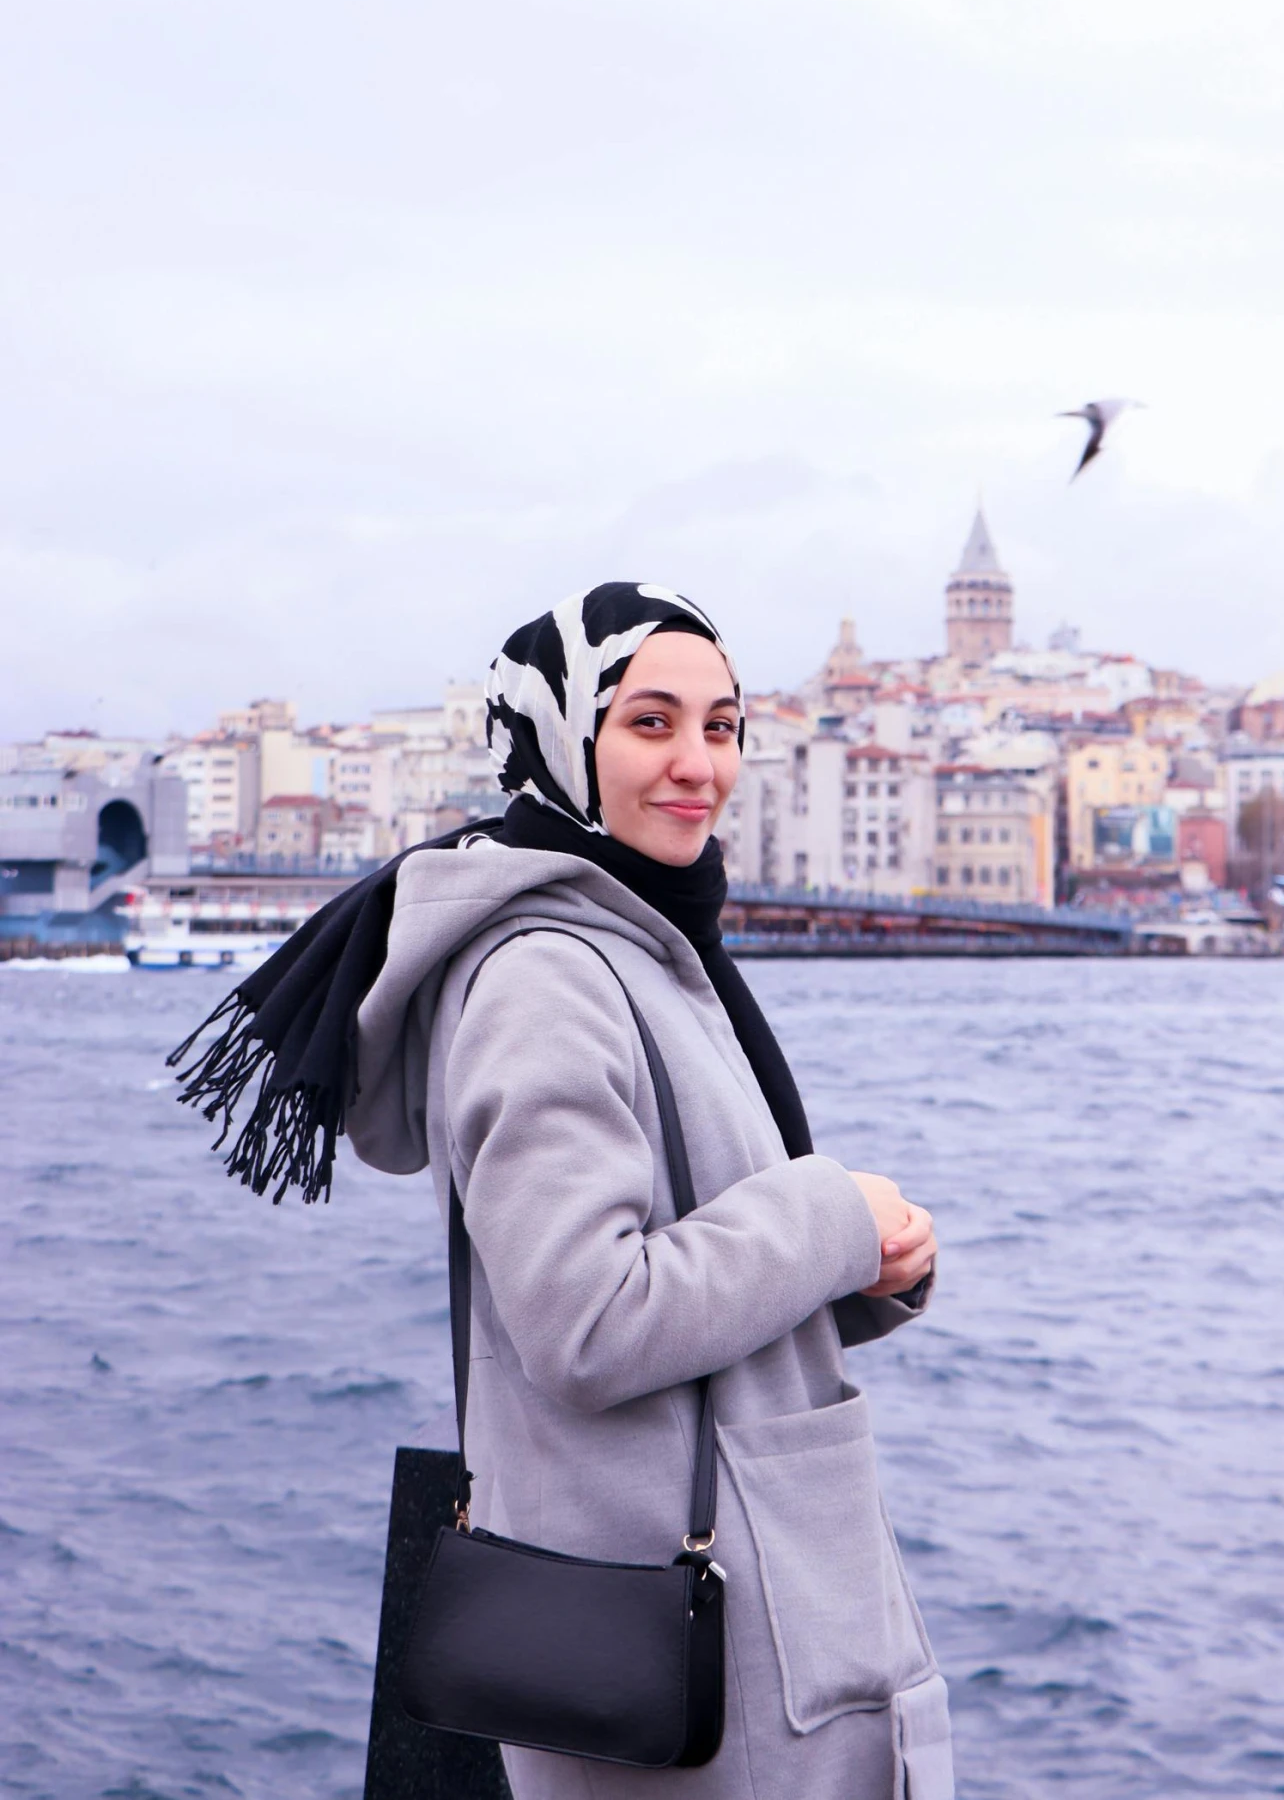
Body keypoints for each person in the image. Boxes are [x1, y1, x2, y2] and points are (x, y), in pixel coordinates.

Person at [335, 583, 952, 1798]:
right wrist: (830, 1214)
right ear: (564, 739)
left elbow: (699, 1232)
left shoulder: (647, 943)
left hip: (758, 1606)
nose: (697, 765)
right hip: (696, 1648)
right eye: (651, 722)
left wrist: (868, 1265)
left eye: (720, 728)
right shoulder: (545, 973)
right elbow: (588, 1314)